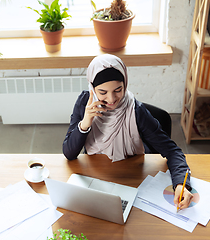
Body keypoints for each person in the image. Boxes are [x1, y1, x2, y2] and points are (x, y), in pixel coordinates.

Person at [62, 54, 193, 210]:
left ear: (125, 84)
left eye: (118, 90)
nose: (111, 99)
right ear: (92, 87)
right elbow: (69, 153)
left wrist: (181, 184)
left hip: (132, 178)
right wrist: (85, 123)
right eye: (102, 92)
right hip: (95, 179)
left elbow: (172, 151)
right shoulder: (85, 103)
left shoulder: (136, 111)